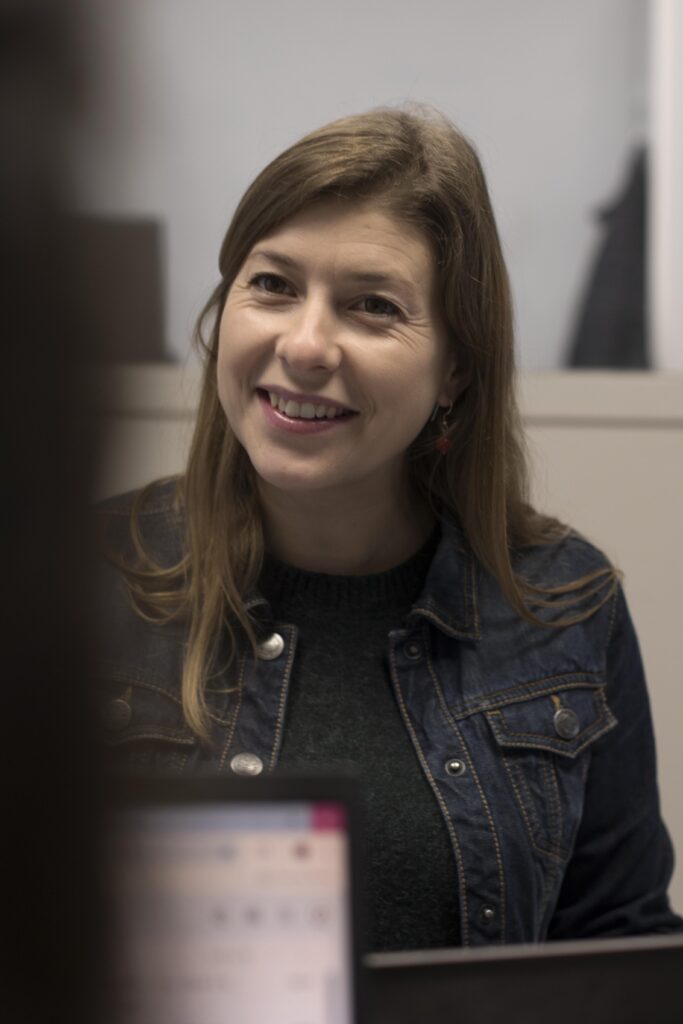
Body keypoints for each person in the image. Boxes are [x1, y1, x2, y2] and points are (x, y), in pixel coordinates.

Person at [96, 106, 682, 950]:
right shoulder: (76, 579)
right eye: (272, 285)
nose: (304, 344)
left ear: (454, 370)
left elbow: (619, 949)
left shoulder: (561, 605)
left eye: (371, 306)